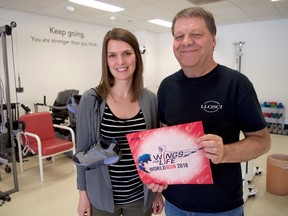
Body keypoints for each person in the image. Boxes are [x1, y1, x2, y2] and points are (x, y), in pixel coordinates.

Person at [148, 7, 271, 216]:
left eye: (196, 34)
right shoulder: (167, 87)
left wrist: (225, 152)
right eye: (179, 36)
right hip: (175, 203)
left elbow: (262, 141)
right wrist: (157, 183)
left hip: (220, 206)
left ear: (213, 40)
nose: (186, 41)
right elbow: (162, 139)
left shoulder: (236, 84)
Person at [76, 28, 164, 216]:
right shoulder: (91, 99)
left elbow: (155, 153)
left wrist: (157, 193)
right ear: (106, 61)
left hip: (140, 197)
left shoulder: (150, 100)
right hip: (101, 197)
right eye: (112, 55)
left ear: (136, 57)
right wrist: (83, 195)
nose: (120, 62)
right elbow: (82, 153)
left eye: (127, 53)